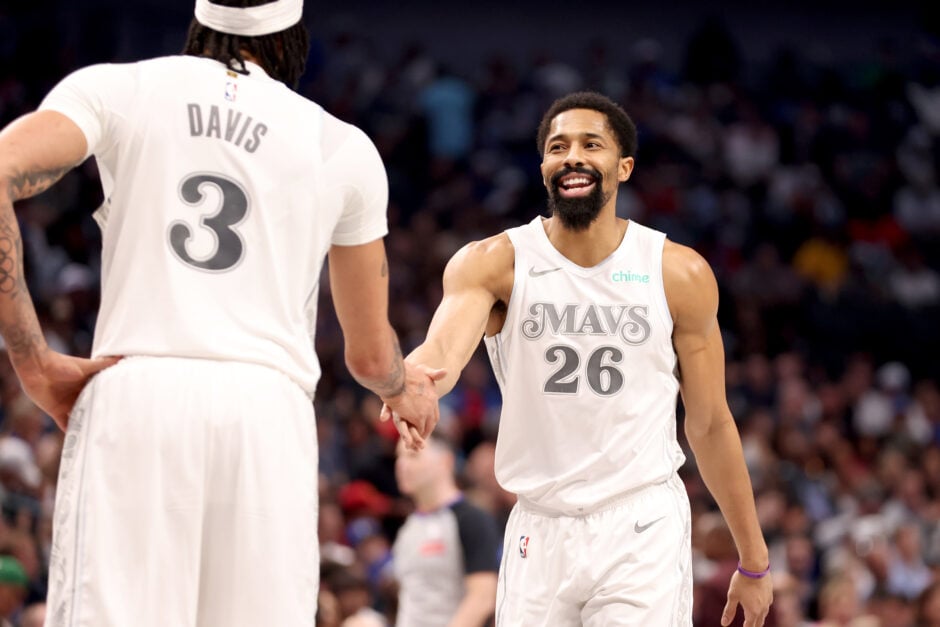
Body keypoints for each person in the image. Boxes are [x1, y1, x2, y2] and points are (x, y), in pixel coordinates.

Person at [0, 0, 441, 625]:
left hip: (138, 390)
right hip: (267, 412)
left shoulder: (123, 85)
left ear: (199, 22)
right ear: (292, 36)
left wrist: (33, 361)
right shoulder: (342, 145)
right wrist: (405, 390)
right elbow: (370, 356)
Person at [384, 91, 773, 626]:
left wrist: (753, 561)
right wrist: (415, 379)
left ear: (624, 166)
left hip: (640, 523)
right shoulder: (495, 263)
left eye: (592, 144)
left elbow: (708, 423)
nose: (573, 156)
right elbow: (443, 349)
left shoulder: (678, 274)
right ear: (544, 167)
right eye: (557, 146)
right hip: (538, 526)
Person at [392, 434, 500, 627]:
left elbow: (483, 596)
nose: (402, 464)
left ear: (445, 462)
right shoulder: (408, 528)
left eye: (412, 455)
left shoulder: (471, 520)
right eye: (398, 456)